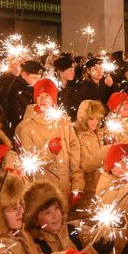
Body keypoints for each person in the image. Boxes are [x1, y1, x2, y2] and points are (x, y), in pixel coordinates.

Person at [15, 78, 85, 217]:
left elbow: (74, 154)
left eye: (47, 96)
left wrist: (77, 185)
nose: (43, 100)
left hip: (65, 190)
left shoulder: (64, 122)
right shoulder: (25, 127)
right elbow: (28, 162)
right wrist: (49, 151)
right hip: (42, 194)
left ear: (54, 99)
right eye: (39, 96)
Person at [73, 99, 111, 213]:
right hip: (89, 188)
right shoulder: (79, 136)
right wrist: (104, 152)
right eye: (91, 119)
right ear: (84, 118)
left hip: (101, 184)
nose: (95, 122)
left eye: (97, 118)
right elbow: (85, 165)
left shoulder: (98, 132)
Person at [5, 60, 43, 136]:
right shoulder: (15, 90)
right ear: (24, 75)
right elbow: (18, 116)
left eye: (39, 78)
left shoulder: (32, 87)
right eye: (35, 78)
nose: (38, 81)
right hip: (21, 130)